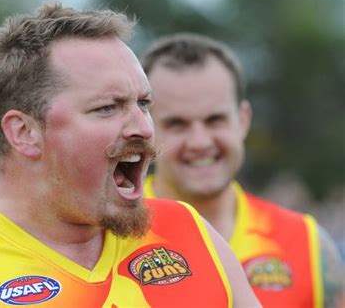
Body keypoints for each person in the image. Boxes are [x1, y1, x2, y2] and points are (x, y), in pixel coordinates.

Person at [0, 4, 260, 307]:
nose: (142, 126)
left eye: (143, 103)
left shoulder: (190, 232)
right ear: (24, 132)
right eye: (107, 107)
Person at [141, 33, 345, 308]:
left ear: (243, 120)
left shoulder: (308, 245)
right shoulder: (103, 235)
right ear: (146, 128)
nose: (200, 142)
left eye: (215, 120)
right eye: (177, 124)